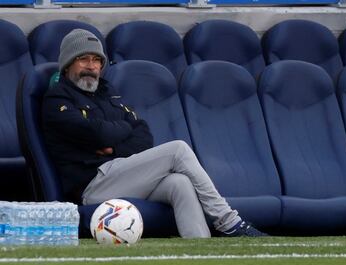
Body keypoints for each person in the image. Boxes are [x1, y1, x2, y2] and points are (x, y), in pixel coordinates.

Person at [42, 29, 267, 238]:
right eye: (84, 59)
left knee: (179, 183)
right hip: (93, 184)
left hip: (124, 175)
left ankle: (200, 249)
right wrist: (122, 130)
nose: (91, 66)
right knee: (178, 149)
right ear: (68, 64)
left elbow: (143, 135)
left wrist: (116, 145)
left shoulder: (107, 94)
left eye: (96, 60)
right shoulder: (57, 98)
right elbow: (97, 134)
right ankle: (229, 222)